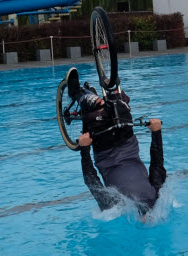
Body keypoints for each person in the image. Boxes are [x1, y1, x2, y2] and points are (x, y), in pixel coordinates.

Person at [66, 68, 166, 214]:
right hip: (127, 142)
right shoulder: (156, 199)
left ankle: (75, 92)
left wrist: (85, 148)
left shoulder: (114, 209)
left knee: (97, 108)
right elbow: (157, 164)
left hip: (105, 150)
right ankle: (95, 92)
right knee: (119, 103)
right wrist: (156, 132)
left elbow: (91, 181)